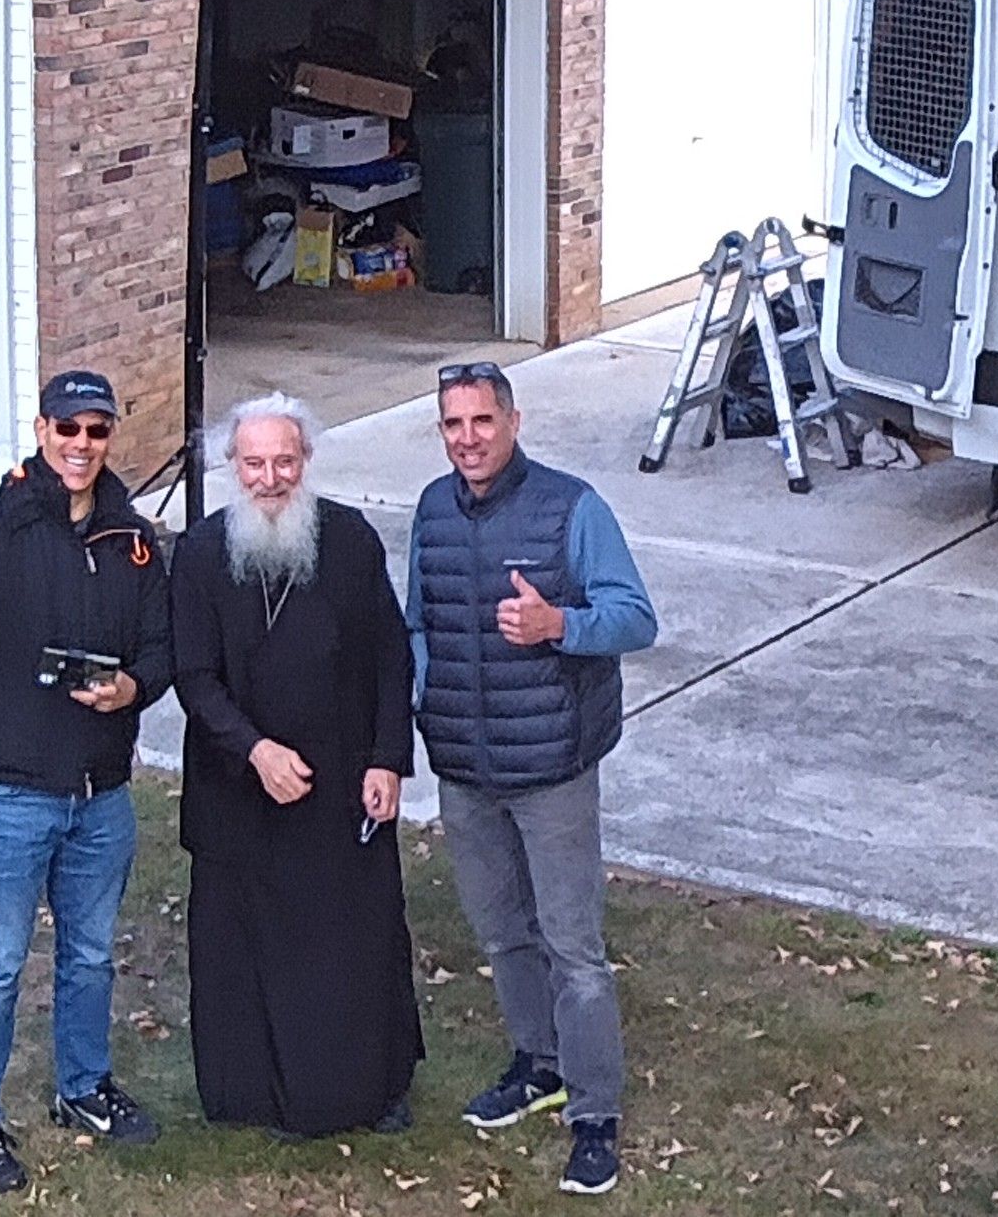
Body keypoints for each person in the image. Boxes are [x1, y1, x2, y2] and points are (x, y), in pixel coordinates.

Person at [0, 370, 172, 1195]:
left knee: (89, 955)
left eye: (98, 430)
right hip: (10, 788)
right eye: (68, 428)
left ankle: (83, 1087)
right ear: (42, 429)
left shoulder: (134, 537)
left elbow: (161, 647)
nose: (82, 445)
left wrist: (133, 690)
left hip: (101, 795)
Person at [407, 362, 657, 1198]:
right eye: (453, 424)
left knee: (573, 948)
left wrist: (561, 623)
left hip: (550, 767)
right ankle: (537, 1064)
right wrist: (418, 701)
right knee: (501, 932)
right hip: (465, 768)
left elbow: (636, 615)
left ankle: (594, 1114)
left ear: (514, 420)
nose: (468, 438)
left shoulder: (572, 507)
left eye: (482, 420)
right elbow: (420, 623)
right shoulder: (433, 510)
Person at [169, 392, 423, 1139]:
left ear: (305, 460)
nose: (270, 477)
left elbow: (389, 654)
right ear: (232, 466)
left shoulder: (349, 540)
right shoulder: (199, 553)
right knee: (244, 947)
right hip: (237, 787)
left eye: (284, 460)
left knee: (353, 941)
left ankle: (368, 1088)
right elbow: (194, 676)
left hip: (340, 783)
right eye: (254, 462)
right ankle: (254, 1094)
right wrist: (254, 750)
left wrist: (388, 758)